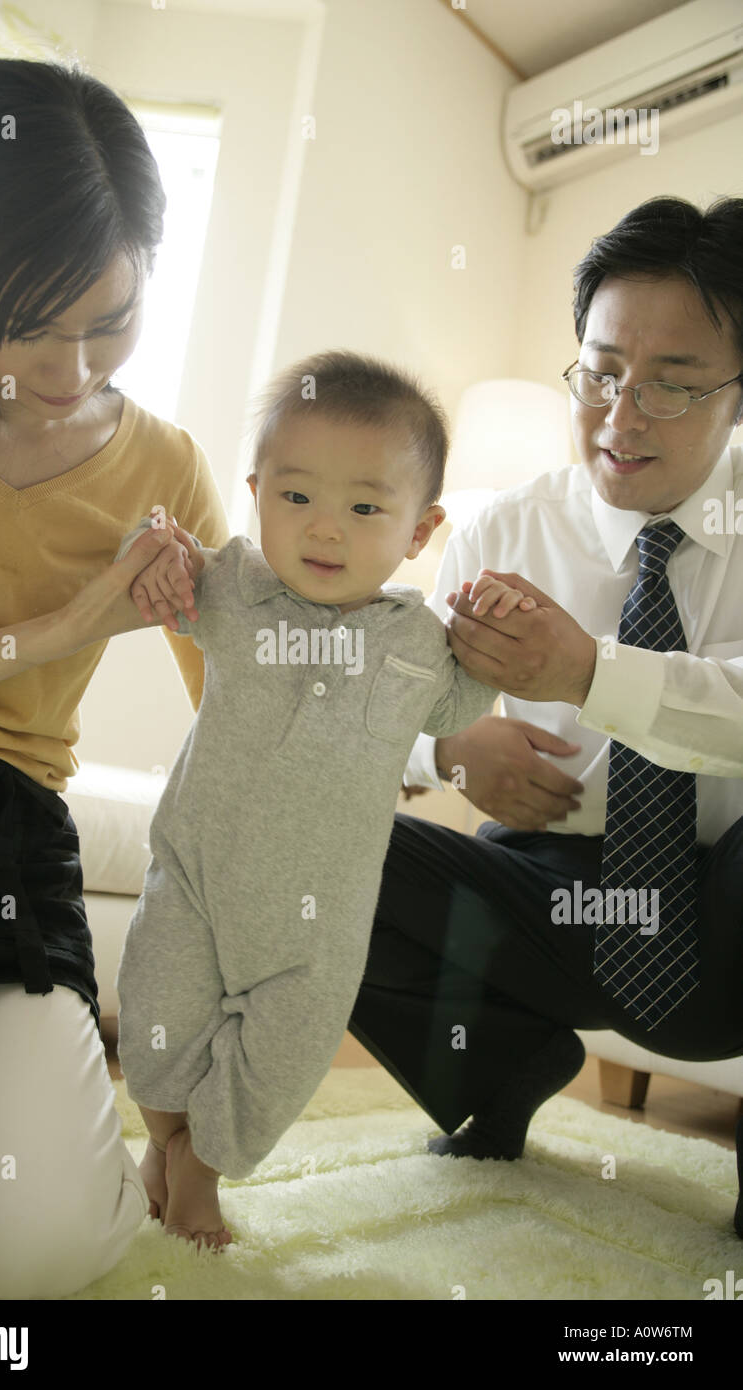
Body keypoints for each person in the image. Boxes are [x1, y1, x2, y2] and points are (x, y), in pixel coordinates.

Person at [0, 57, 232, 1298]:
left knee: (48, 1251)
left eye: (110, 320)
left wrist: (435, 746)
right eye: (30, 325)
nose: (75, 367)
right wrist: (55, 626)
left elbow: (248, 719)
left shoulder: (167, 471)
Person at [347, 196, 743, 1241]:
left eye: (669, 385)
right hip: (546, 895)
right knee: (294, 829)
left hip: (724, 908)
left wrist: (586, 670)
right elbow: (367, 712)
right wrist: (446, 745)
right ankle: (494, 1066)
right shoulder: (503, 525)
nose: (619, 417)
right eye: (602, 373)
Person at [112, 348, 536, 1250]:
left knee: (279, 1066)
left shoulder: (425, 641)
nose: (325, 530)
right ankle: (165, 1139)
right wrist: (149, 548)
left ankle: (200, 1170)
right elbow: (149, 572)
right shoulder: (225, 585)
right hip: (194, 879)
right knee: (153, 1040)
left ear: (420, 533)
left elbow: (471, 703)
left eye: (366, 508)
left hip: (321, 922)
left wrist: (495, 624)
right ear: (258, 491)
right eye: (296, 497)